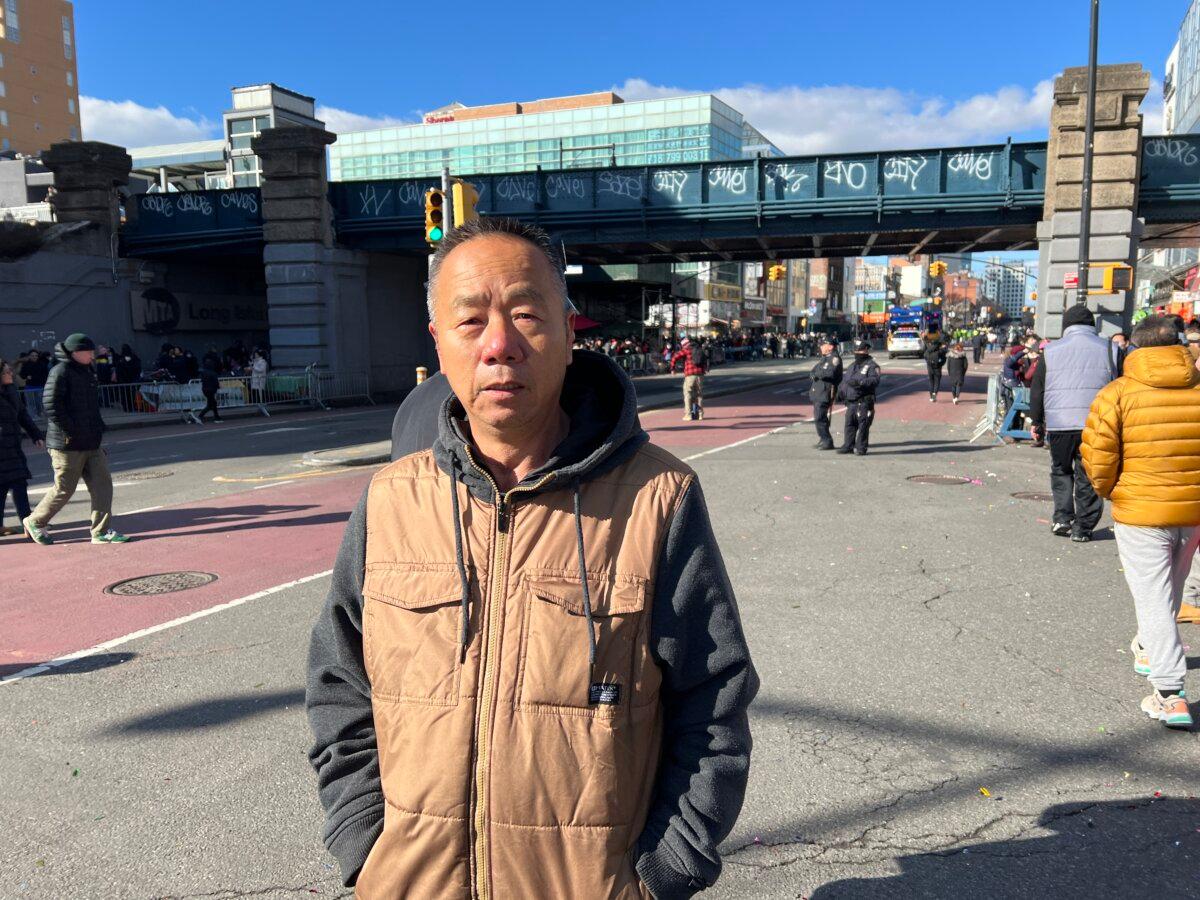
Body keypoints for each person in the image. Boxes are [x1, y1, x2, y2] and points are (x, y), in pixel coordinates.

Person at [305, 217, 758, 896]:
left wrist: (665, 869)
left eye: (525, 315)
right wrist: (366, 843)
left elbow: (713, 698)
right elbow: (340, 684)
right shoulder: (390, 500)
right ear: (439, 341)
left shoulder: (659, 497)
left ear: (568, 333)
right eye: (471, 321)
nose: (499, 346)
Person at [1081, 315, 1200, 728]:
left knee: (1152, 594)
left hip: (1141, 512)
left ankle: (1170, 693)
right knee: (1172, 587)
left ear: (1133, 346)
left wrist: (1111, 491)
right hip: (1193, 511)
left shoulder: (1117, 394)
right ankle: (1150, 647)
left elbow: (1098, 458)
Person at [23, 334, 128, 545]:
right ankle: (35, 521)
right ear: (75, 352)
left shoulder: (87, 372)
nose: (92, 354)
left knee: (102, 485)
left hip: (90, 442)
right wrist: (72, 431)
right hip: (67, 444)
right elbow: (52, 406)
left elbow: (91, 408)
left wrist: (98, 432)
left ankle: (100, 531)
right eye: (88, 351)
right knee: (64, 489)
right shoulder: (60, 371)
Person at [1028, 305, 1116, 543]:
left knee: (1061, 470)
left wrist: (1037, 421)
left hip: (1060, 424)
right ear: (1092, 325)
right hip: (1097, 424)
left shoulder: (1051, 350)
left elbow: (1037, 390)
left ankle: (1062, 518)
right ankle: (1083, 528)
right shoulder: (1111, 348)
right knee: (1088, 475)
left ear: (1066, 326)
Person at [0, 359, 44, 536]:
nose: (11, 374)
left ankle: (28, 522)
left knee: (18, 483)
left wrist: (36, 435)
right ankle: (27, 523)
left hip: (12, 446)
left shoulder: (11, 391)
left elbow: (22, 415)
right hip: (2, 446)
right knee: (3, 487)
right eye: (6, 372)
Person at [837, 339, 882, 455]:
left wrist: (860, 383)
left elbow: (875, 380)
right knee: (849, 424)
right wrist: (840, 392)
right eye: (856, 351)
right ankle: (848, 445)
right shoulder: (853, 365)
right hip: (851, 401)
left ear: (866, 351)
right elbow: (845, 381)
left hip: (864, 401)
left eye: (860, 351)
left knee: (863, 426)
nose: (858, 353)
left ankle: (861, 447)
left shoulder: (872, 366)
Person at [808, 336, 843, 450]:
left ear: (830, 346)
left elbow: (830, 373)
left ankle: (827, 440)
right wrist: (815, 373)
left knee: (820, 417)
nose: (821, 347)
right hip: (819, 391)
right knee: (819, 417)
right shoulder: (824, 358)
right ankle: (823, 438)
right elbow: (814, 370)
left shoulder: (834, 358)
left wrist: (818, 374)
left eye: (823, 345)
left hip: (826, 391)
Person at [670, 336, 708, 421]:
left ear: (684, 345)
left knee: (688, 394)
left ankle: (688, 415)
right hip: (700, 374)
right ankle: (699, 414)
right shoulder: (698, 349)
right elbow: (705, 359)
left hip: (690, 375)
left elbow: (675, 357)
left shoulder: (686, 350)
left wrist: (672, 369)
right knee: (699, 395)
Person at [19, 349, 49, 419]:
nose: (34, 357)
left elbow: (45, 374)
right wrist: (26, 376)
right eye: (32, 356)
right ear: (29, 356)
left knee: (39, 402)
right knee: (30, 402)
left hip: (39, 386)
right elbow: (22, 374)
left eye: (36, 355)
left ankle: (40, 413)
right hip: (29, 386)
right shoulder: (25, 364)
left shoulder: (42, 364)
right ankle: (32, 416)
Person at [921, 327, 947, 402]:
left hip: (930, 365)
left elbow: (924, 353)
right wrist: (941, 362)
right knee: (937, 380)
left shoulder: (927, 342)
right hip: (938, 365)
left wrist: (928, 361)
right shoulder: (940, 342)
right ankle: (935, 393)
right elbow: (944, 353)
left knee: (931, 381)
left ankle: (931, 396)